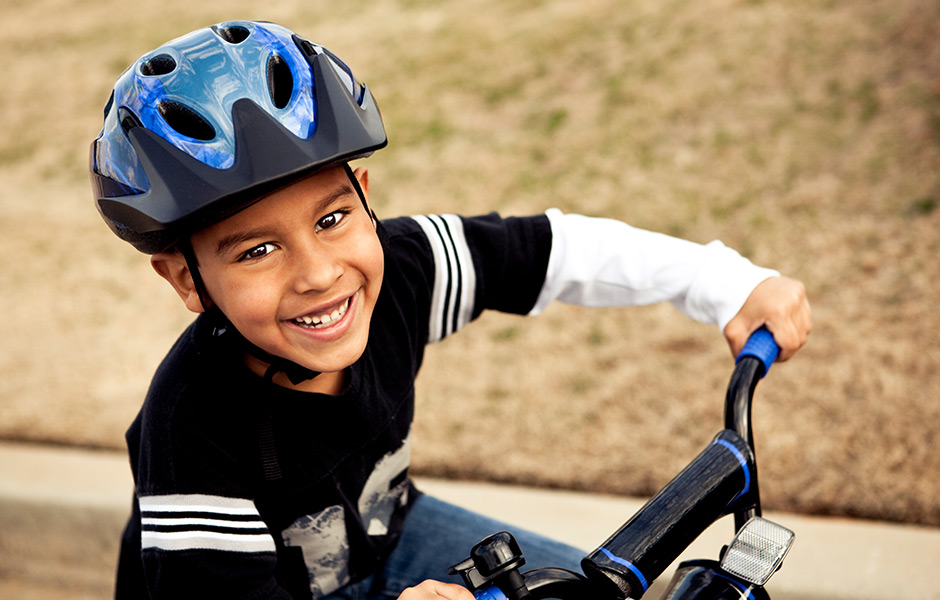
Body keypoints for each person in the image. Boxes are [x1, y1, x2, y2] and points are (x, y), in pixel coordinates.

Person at [89, 20, 811, 600]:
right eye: (255, 252)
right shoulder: (190, 427)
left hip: (392, 537)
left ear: (365, 194)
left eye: (333, 219)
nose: (319, 274)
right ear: (186, 278)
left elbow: (554, 252)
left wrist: (725, 282)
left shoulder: (401, 271)